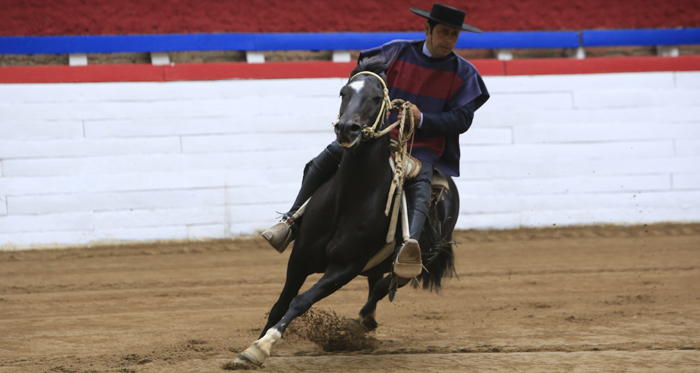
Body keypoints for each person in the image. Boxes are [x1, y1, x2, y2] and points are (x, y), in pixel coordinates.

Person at [262, 3, 490, 279]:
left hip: (422, 148)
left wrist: (422, 119)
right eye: (443, 32)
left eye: (454, 35)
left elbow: (462, 120)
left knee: (421, 180)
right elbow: (361, 77)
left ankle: (410, 245)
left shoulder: (464, 73)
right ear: (427, 29)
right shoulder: (395, 52)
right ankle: (290, 221)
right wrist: (366, 114)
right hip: (376, 137)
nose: (449, 40)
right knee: (325, 158)